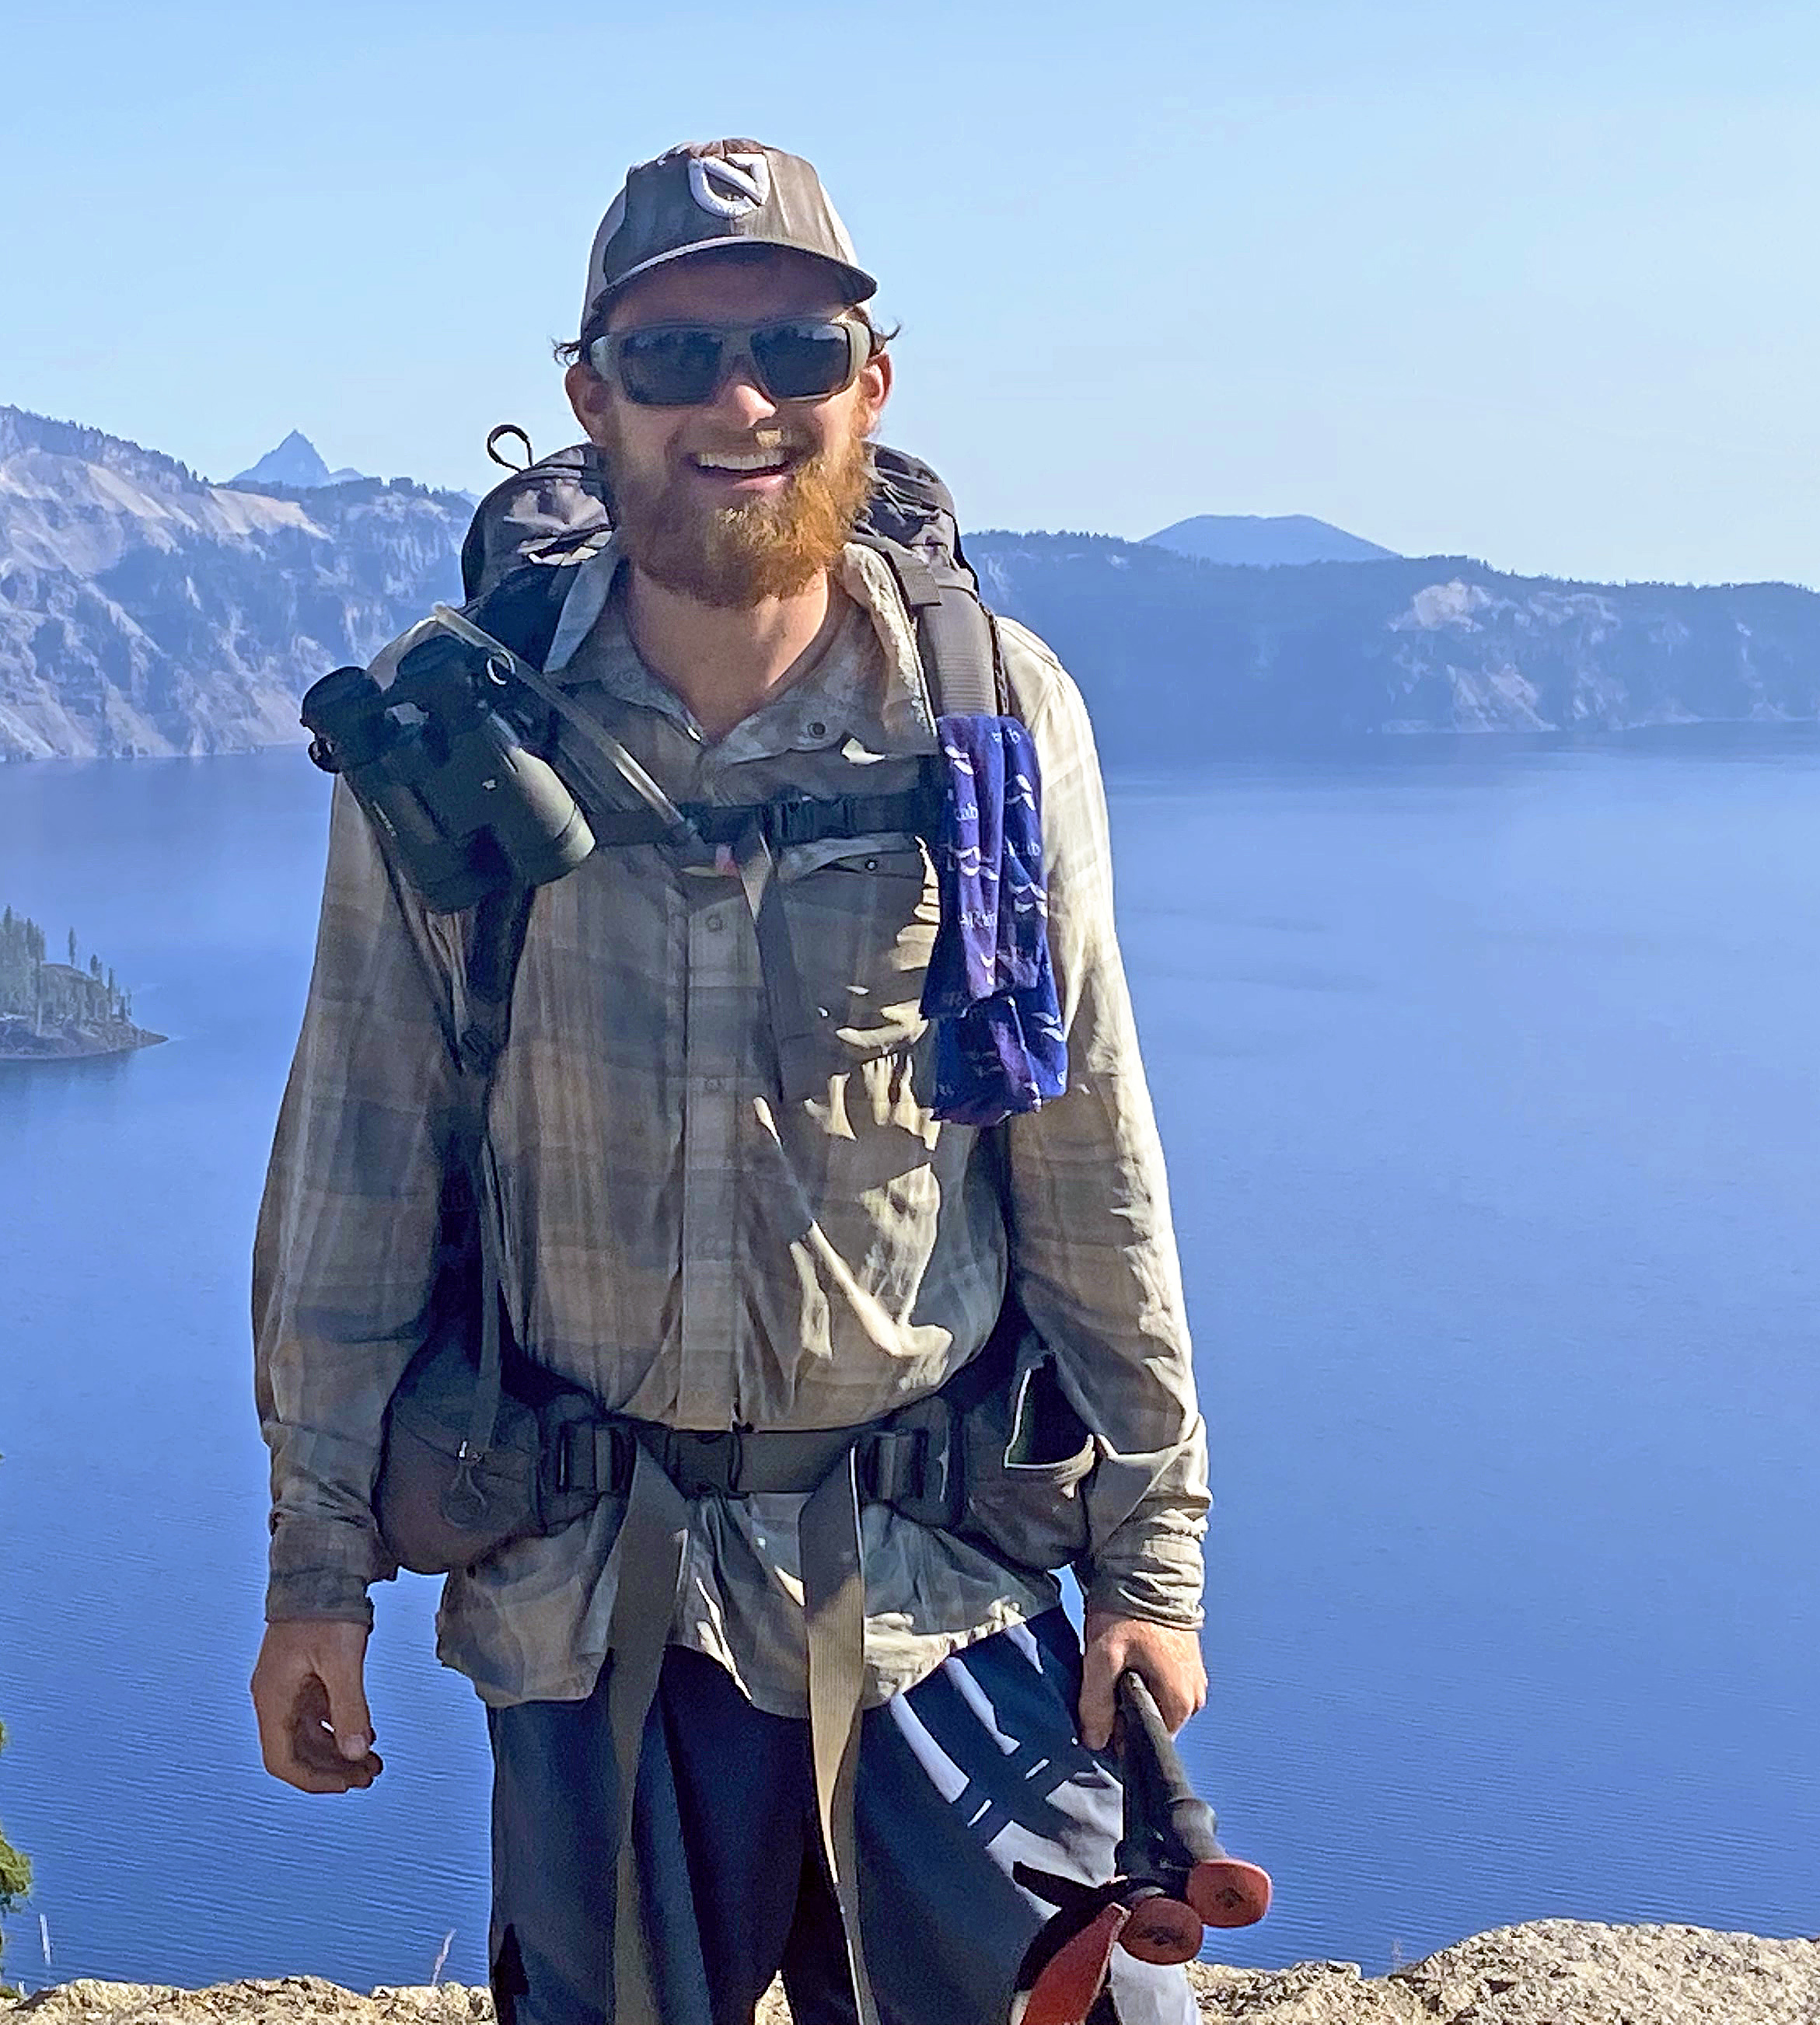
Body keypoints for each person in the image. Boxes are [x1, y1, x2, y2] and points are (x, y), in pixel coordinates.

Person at [250, 140, 1210, 2025]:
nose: (741, 404)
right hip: (597, 1595)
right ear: (589, 398)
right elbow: (364, 1155)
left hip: (941, 1591)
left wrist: (1151, 1561)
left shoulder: (990, 717)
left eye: (790, 347)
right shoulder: (464, 731)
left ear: (872, 384)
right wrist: (317, 1573)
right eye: (677, 360)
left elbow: (1085, 1140)